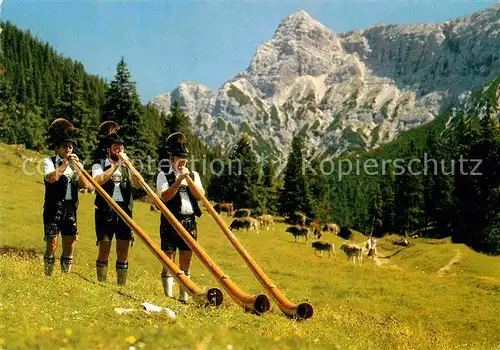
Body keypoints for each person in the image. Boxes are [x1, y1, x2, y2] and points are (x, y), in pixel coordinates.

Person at [156, 132, 205, 303]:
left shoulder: (194, 175)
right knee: (168, 258)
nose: (182, 164)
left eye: (185, 161)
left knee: (186, 259)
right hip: (170, 220)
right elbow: (165, 196)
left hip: (189, 221)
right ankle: (168, 297)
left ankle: (184, 296)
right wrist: (178, 181)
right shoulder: (164, 175)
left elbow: (199, 196)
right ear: (172, 160)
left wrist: (188, 180)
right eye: (179, 161)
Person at [92, 121, 141, 285]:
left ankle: (122, 285)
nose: (119, 151)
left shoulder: (128, 166)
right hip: (106, 213)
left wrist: (130, 166)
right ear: (108, 150)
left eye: (121, 148)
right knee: (104, 248)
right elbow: (97, 180)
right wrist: (116, 165)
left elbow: (139, 184)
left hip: (125, 212)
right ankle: (101, 283)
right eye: (115, 148)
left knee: (123, 250)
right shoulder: (99, 164)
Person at [42, 118, 90, 276]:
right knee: (52, 242)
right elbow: (51, 178)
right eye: (65, 147)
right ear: (58, 149)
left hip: (70, 208)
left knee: (69, 242)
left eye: (70, 146)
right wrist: (66, 164)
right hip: (53, 206)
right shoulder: (48, 161)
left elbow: (85, 185)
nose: (69, 149)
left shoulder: (75, 164)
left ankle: (65, 276)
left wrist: (80, 168)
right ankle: (48, 275)